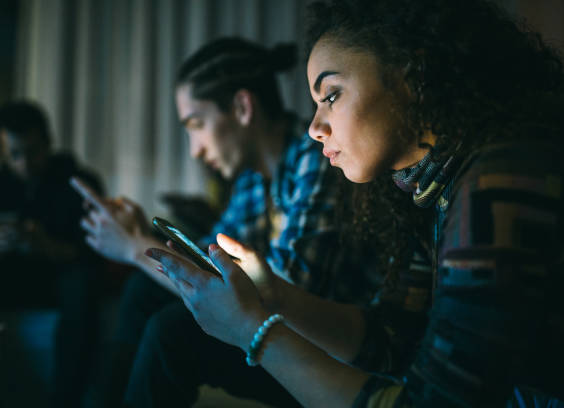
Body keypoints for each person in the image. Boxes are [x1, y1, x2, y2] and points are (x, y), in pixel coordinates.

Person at [145, 0, 564, 407]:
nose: (314, 128)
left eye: (331, 96)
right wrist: (275, 297)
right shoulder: (430, 193)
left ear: (412, 76)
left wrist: (253, 331)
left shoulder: (500, 182)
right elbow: (394, 341)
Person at [73, 37, 359, 407]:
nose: (195, 149)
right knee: (144, 293)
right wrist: (141, 237)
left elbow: (281, 295)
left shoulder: (317, 159)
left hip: (319, 351)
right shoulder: (253, 179)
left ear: (242, 107)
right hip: (285, 329)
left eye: (196, 124)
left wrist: (132, 247)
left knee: (171, 332)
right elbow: (206, 265)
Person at [0, 101, 104, 408]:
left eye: (32, 152)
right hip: (7, 277)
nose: (24, 164)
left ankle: (65, 401)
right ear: (2, 153)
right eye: (14, 155)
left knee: (82, 285)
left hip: (56, 279)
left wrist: (47, 246)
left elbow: (93, 255)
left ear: (48, 143)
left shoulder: (78, 182)